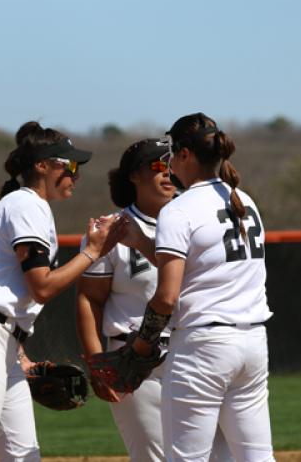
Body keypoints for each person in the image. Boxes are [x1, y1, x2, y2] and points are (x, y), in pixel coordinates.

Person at [0, 121, 122, 462]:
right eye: (71, 165)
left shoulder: (27, 206)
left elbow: (15, 289)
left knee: (23, 455)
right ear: (42, 165)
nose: (76, 175)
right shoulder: (26, 204)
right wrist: (93, 252)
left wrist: (18, 353)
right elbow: (42, 287)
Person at [124, 113, 275, 462]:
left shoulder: (178, 209)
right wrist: (143, 243)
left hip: (203, 347)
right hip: (251, 344)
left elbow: (166, 296)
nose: (169, 162)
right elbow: (204, 265)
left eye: (172, 153)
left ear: (187, 155)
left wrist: (143, 344)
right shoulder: (245, 201)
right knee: (257, 457)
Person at [76, 138, 235, 462]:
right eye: (157, 165)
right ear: (134, 175)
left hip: (196, 352)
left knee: (221, 455)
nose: (167, 173)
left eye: (171, 164)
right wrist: (97, 365)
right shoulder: (112, 229)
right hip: (134, 362)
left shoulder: (198, 220)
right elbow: (90, 299)